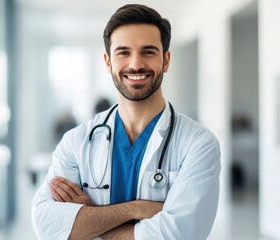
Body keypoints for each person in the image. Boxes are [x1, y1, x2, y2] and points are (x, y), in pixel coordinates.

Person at [32, 4, 221, 240]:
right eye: (123, 52)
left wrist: (91, 218)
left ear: (166, 60)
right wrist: (137, 208)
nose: (135, 64)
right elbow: (47, 225)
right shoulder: (76, 142)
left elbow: (180, 234)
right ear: (108, 62)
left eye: (148, 52)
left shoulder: (199, 144)